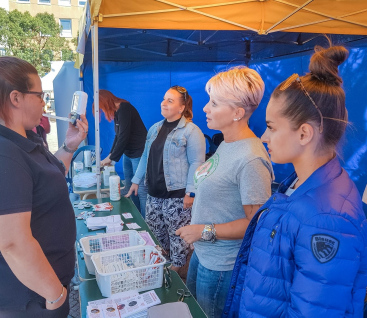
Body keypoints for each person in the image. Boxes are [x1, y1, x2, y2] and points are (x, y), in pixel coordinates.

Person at [223, 45, 367, 317]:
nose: (264, 137)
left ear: (304, 134)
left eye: (271, 127)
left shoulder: (329, 220)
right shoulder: (298, 183)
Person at [0, 56, 88, 317]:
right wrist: (55, 294)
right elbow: (13, 243)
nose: (44, 103)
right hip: (23, 299)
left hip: (36, 292)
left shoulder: (20, 138)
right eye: (40, 95)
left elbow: (47, 179)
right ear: (16, 98)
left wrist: (68, 147)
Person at [176, 67, 274, 318]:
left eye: (214, 103)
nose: (206, 108)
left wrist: (204, 230)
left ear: (238, 113)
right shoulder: (227, 143)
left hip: (221, 266)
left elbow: (255, 225)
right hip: (204, 254)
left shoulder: (251, 157)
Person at [127, 85, 206, 274]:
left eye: (170, 101)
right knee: (156, 236)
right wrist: (135, 181)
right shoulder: (155, 128)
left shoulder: (191, 131)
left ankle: (177, 276)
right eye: (164, 99)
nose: (164, 103)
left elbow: (197, 163)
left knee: (178, 239)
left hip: (177, 197)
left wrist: (191, 191)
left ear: (181, 107)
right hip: (154, 195)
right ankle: (161, 270)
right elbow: (145, 157)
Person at [95, 90, 148, 216]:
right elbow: (118, 136)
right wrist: (110, 155)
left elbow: (124, 136)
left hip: (139, 153)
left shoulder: (124, 108)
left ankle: (147, 220)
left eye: (102, 107)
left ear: (106, 101)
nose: (102, 110)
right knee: (129, 186)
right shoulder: (117, 112)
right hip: (128, 153)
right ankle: (136, 214)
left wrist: (112, 157)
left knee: (140, 189)